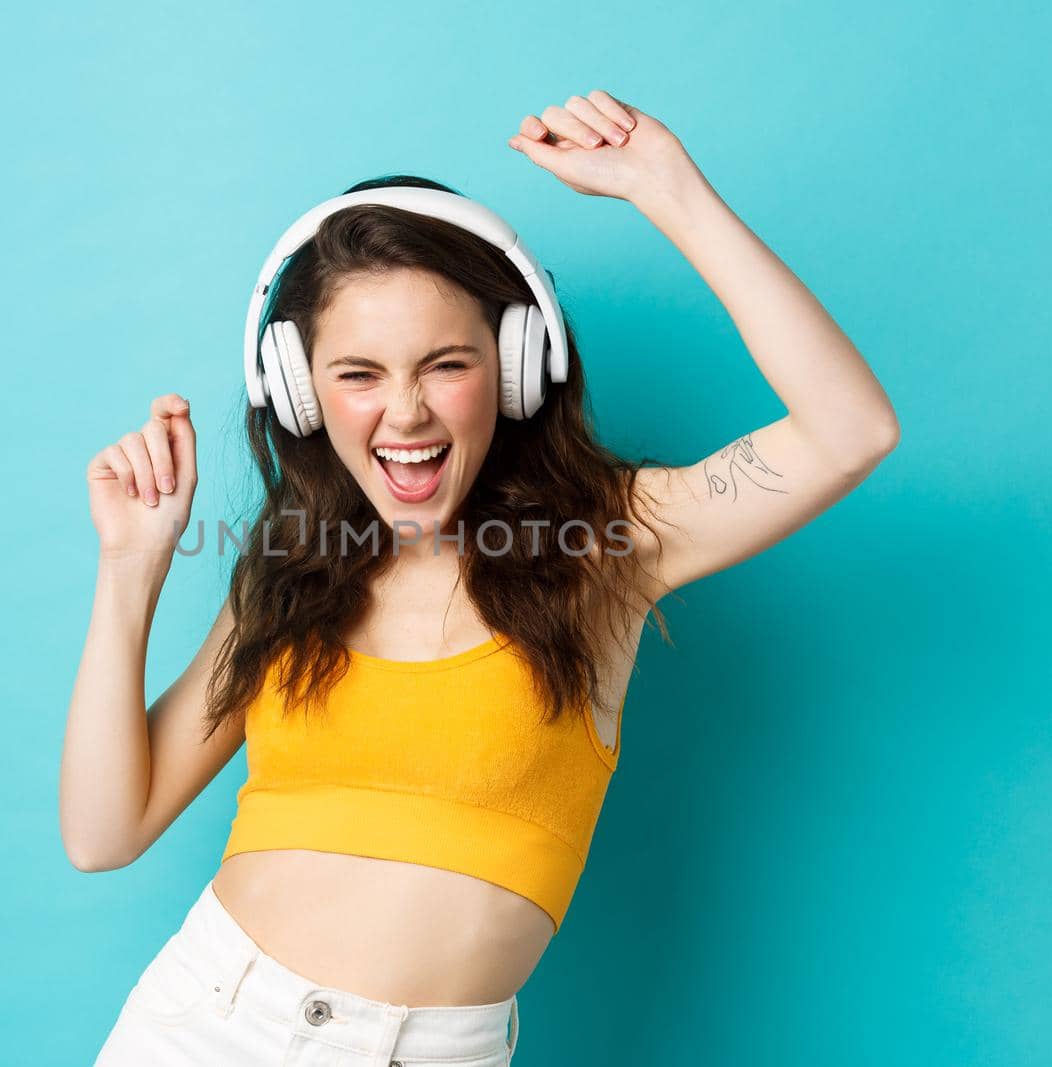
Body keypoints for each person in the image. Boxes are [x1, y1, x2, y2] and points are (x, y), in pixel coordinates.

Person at [61, 89, 900, 1066]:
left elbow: (850, 431)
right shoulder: (292, 574)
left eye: (444, 364)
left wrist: (666, 189)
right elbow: (103, 830)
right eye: (358, 373)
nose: (405, 412)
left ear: (514, 366)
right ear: (299, 391)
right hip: (203, 1023)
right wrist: (131, 567)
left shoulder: (608, 546)